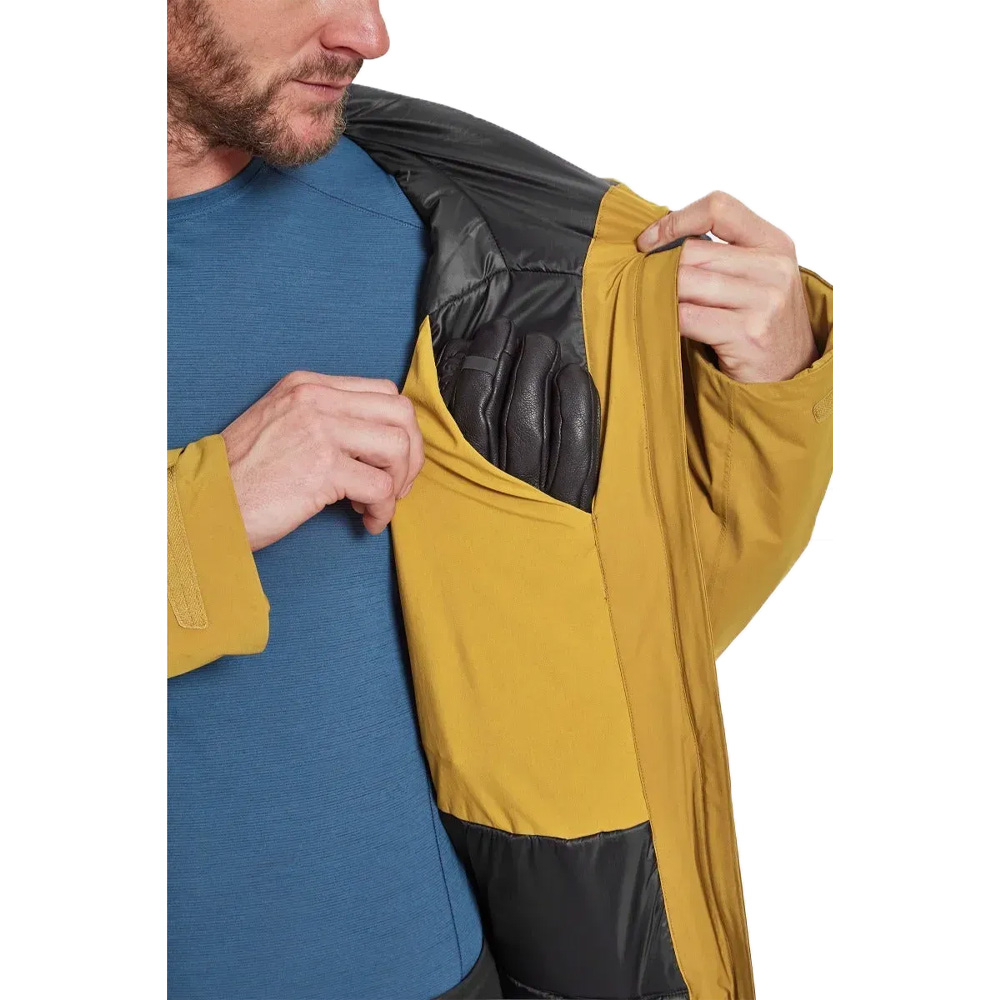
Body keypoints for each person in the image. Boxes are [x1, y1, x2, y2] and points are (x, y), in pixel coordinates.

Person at [167, 2, 825, 998]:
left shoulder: (474, 246)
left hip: (437, 972)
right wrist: (203, 517)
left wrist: (765, 386)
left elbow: (634, 631)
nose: (369, 33)